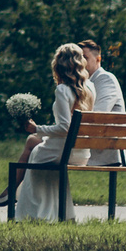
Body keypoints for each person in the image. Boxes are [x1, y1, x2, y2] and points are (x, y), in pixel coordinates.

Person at [7, 43, 96, 222]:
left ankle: (29, 216)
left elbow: (64, 127)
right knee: (44, 156)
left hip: (63, 150)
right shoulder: (90, 87)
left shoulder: (63, 89)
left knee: (35, 155)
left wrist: (37, 129)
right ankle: (62, 215)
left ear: (58, 65)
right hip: (81, 152)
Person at [80, 40, 126, 167]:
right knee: (38, 147)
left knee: (37, 146)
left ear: (98, 59)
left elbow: (97, 116)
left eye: (85, 57)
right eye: (78, 58)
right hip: (92, 143)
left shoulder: (105, 78)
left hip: (106, 148)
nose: (81, 62)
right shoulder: (83, 82)